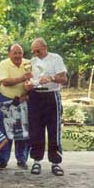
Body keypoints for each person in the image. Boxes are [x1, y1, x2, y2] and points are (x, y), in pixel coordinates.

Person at [25, 38, 67, 176]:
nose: (35, 53)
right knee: (36, 129)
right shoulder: (32, 62)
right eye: (33, 51)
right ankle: (36, 161)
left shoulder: (55, 58)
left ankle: (56, 163)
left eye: (37, 50)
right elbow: (29, 79)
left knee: (53, 129)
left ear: (45, 47)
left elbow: (64, 79)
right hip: (35, 96)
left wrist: (51, 78)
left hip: (51, 95)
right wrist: (28, 85)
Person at [0, 43, 32, 169]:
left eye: (20, 53)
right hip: (6, 100)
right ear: (9, 54)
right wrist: (22, 78)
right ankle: (3, 160)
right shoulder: (3, 64)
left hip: (24, 100)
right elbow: (5, 82)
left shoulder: (29, 64)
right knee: (5, 131)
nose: (18, 55)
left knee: (23, 131)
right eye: (15, 53)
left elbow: (34, 82)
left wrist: (28, 92)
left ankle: (22, 159)